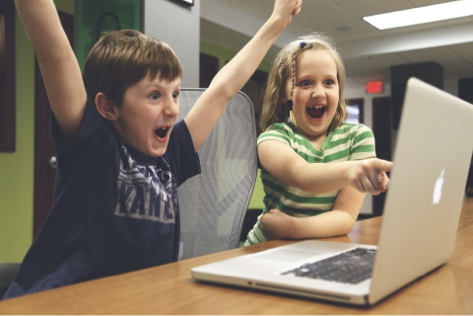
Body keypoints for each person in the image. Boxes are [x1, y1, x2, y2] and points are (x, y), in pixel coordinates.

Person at [4, 0, 303, 299]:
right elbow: (53, 52)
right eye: (154, 96)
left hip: (138, 300)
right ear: (108, 107)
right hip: (59, 302)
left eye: (174, 93)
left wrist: (276, 22)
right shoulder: (92, 145)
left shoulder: (171, 154)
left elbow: (221, 91)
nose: (173, 109)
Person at [244, 33, 392, 246]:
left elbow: (345, 217)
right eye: (305, 83)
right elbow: (302, 174)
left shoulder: (359, 137)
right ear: (284, 93)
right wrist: (353, 170)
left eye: (329, 82)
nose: (319, 92)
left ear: (339, 89)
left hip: (318, 249)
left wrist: (293, 228)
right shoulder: (272, 139)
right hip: (266, 249)